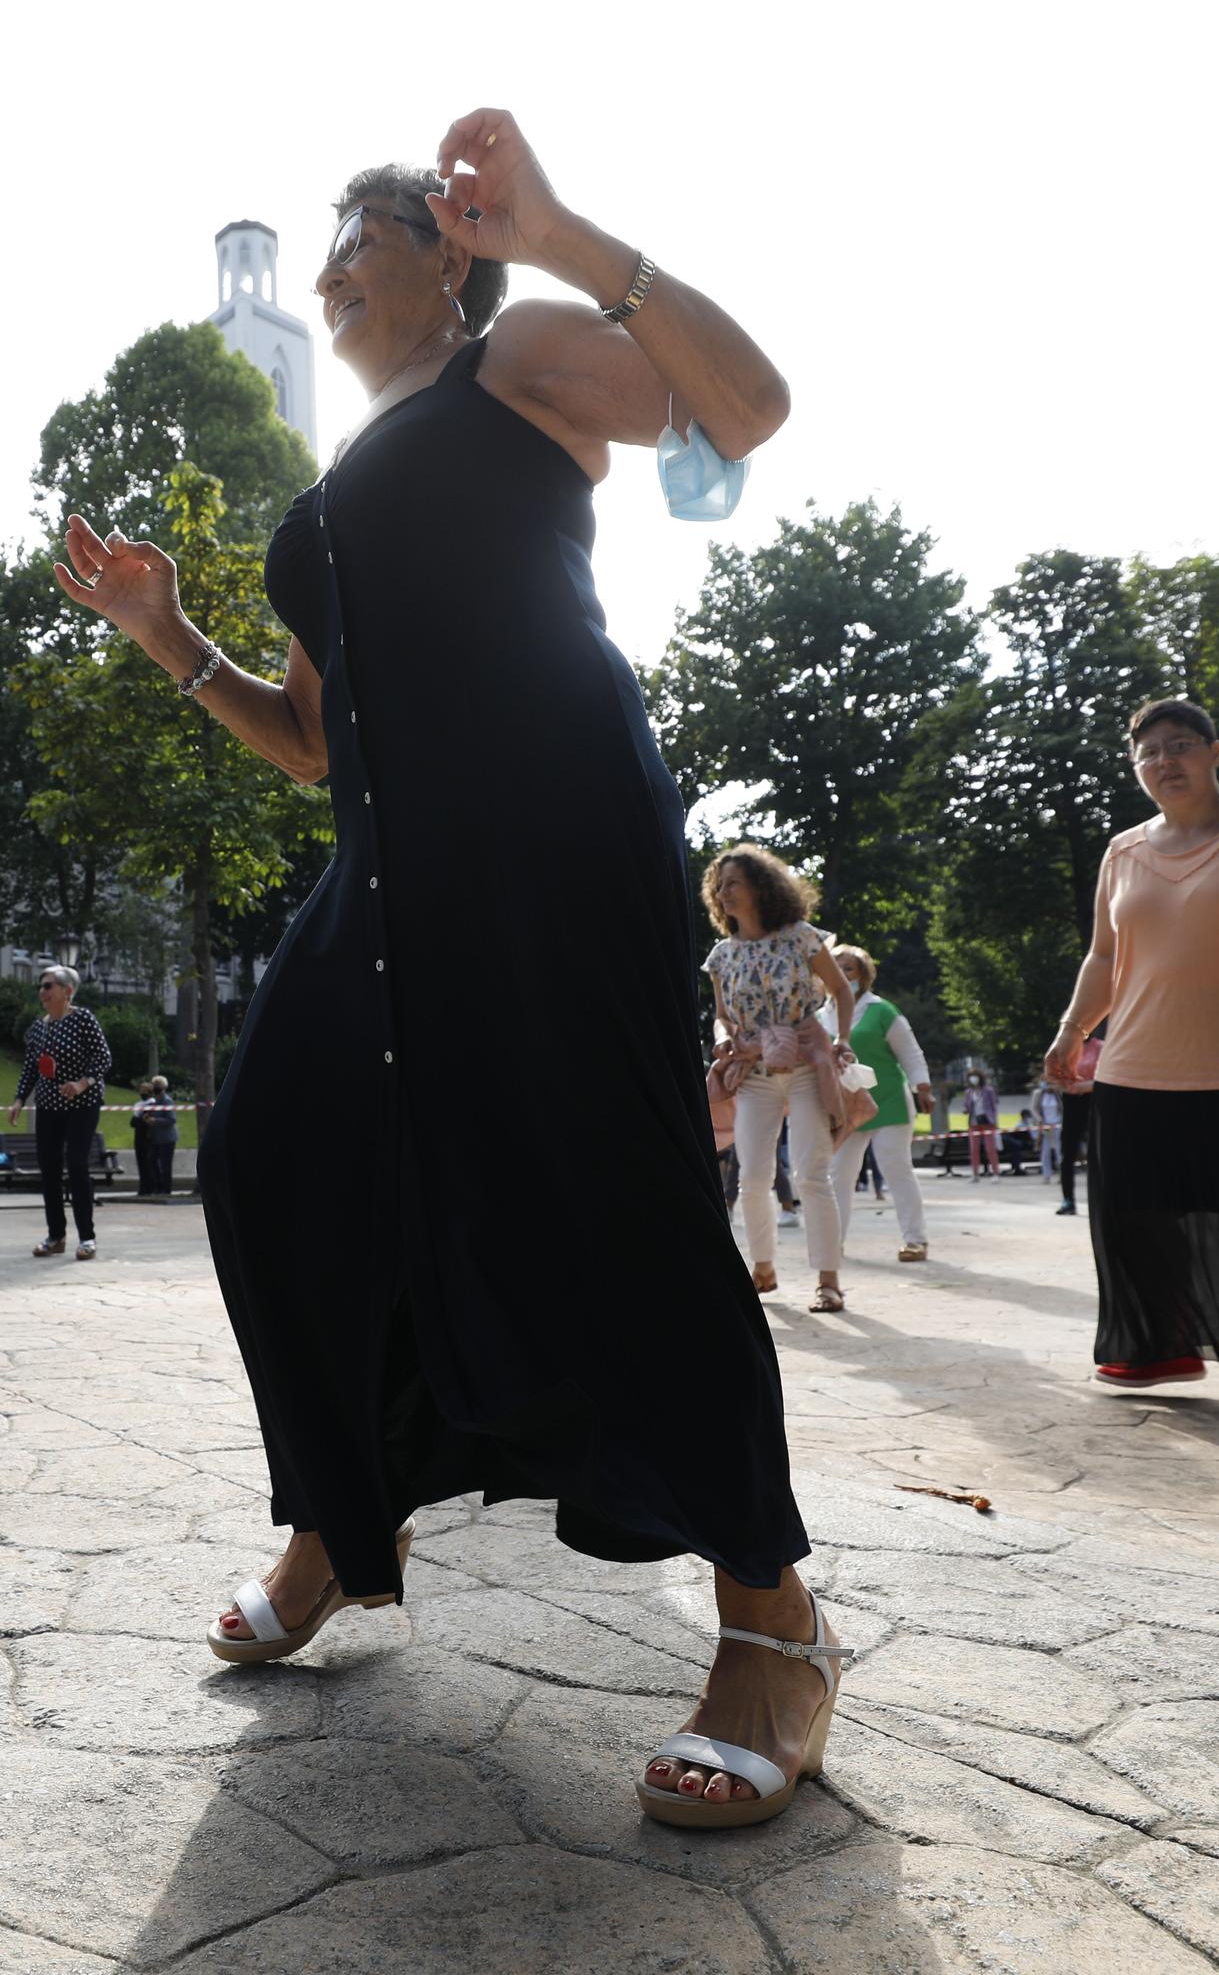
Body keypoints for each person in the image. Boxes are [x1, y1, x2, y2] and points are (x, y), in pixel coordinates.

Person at [53, 113, 853, 1826]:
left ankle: (772, 1626)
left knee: (615, 1206)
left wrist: (563, 229)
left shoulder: (524, 357)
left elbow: (741, 408)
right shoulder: (334, 487)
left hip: (553, 850)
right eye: (329, 246)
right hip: (387, 882)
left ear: (448, 257)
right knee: (279, 1167)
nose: (335, 265)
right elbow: (309, 739)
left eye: (369, 236)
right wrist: (166, 636)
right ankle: (346, 1525)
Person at [1045, 696, 1219, 1430]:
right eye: (1148, 753)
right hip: (1137, 1066)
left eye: (1178, 745)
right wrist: (1073, 1029)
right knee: (1135, 1215)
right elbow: (1104, 956)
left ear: (1214, 750)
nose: (1163, 761)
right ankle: (1157, 1349)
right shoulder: (1122, 851)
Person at [702, 845, 859, 1313]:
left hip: (808, 1063)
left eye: (733, 883)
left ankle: (828, 1280)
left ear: (760, 887)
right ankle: (763, 1266)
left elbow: (842, 991)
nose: (724, 892)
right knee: (751, 1176)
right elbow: (722, 1015)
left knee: (812, 1173)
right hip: (754, 1071)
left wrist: (843, 1038)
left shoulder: (800, 937)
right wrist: (722, 1037)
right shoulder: (722, 955)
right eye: (720, 885)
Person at [819, 944, 933, 1261]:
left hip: (889, 1102)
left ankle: (915, 1240)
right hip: (846, 1108)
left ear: (864, 976)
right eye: (836, 968)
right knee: (839, 1174)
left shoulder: (882, 1011)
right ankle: (833, 1243)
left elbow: (910, 1053)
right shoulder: (819, 1016)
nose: (842, 974)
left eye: (849, 969)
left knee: (896, 1169)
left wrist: (922, 1086)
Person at [7, 966, 112, 1260]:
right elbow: (31, 1066)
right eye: (41, 986)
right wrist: (18, 1099)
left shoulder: (83, 1019)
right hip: (49, 1105)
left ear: (67, 991)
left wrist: (81, 1083)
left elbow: (103, 1057)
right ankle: (56, 1236)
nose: (42, 991)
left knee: (77, 1165)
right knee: (49, 1170)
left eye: (48, 986)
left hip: (82, 1104)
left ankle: (87, 1238)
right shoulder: (39, 1027)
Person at [1054, 1037, 1101, 1215]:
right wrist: (1070, 1087)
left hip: (1093, 1102)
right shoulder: (1065, 1046)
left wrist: (1080, 1086)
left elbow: (1103, 1078)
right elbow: (1056, 1079)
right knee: (1067, 1154)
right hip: (1071, 1103)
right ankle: (1068, 1200)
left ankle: (1099, 1201)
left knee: (1097, 1154)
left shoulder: (1099, 1047)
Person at [143, 1075, 178, 1197]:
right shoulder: (154, 1101)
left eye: (158, 1086)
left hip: (167, 1139)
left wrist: (155, 1121)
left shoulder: (167, 1101)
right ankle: (158, 1187)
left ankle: (166, 1189)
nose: (156, 1088)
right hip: (155, 1139)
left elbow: (171, 1119)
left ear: (163, 1087)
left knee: (165, 1165)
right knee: (152, 1161)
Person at [963, 1068, 1000, 1180]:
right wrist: (966, 1110)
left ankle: (995, 1173)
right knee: (974, 1149)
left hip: (987, 1122)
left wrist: (995, 1122)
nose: (973, 1079)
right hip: (974, 1123)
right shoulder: (968, 1092)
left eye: (975, 1076)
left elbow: (994, 1107)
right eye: (971, 1077)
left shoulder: (988, 1090)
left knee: (990, 1149)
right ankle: (975, 1174)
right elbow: (967, 1106)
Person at [1034, 1078, 1062, 1185]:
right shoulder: (1038, 1094)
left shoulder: (1057, 1094)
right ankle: (1046, 1175)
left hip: (1057, 1124)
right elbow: (1034, 1108)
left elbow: (1062, 1108)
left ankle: (1061, 1175)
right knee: (1045, 1151)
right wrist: (1040, 1119)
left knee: (1059, 1151)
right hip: (1045, 1125)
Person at [130, 1080, 157, 1196]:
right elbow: (133, 1122)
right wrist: (140, 1119)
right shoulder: (138, 1105)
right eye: (141, 1091)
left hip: (148, 1137)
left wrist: (140, 1119)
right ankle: (143, 1187)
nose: (142, 1093)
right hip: (139, 1137)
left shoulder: (153, 1104)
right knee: (141, 1163)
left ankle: (150, 1187)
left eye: (145, 1091)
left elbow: (144, 1121)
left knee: (148, 1163)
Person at [1001, 1109, 1038, 1175]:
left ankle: (1016, 1168)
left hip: (1027, 1143)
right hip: (1025, 1143)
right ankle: (1017, 1168)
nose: (1030, 1118)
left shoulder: (1029, 1124)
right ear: (1024, 1116)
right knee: (1016, 1147)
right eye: (1028, 1116)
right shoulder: (1020, 1125)